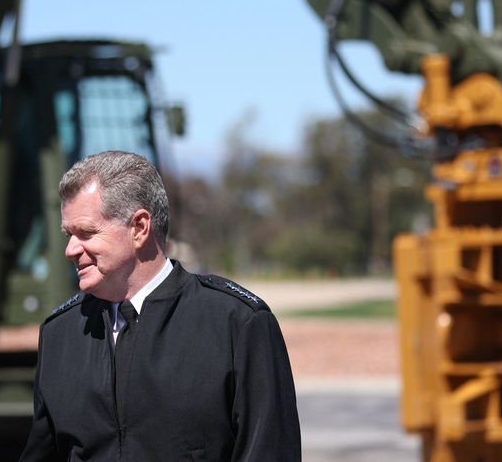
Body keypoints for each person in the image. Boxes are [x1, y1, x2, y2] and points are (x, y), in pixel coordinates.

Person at [20, 150, 302, 462]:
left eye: (85, 232)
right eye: (68, 234)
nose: (70, 249)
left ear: (139, 228)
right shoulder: (60, 333)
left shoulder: (236, 323)